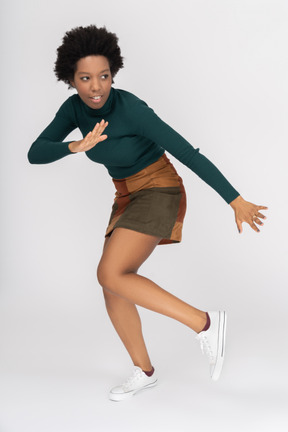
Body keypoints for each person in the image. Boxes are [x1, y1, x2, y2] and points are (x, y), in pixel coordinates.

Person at [27, 25, 268, 402]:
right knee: (113, 285)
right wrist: (74, 145)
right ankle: (145, 371)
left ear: (113, 74)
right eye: (85, 78)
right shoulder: (73, 109)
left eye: (103, 76)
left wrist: (234, 199)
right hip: (126, 196)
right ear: (71, 79)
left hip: (158, 188)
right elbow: (35, 151)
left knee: (109, 272)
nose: (96, 87)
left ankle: (204, 323)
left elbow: (188, 153)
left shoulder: (132, 109)